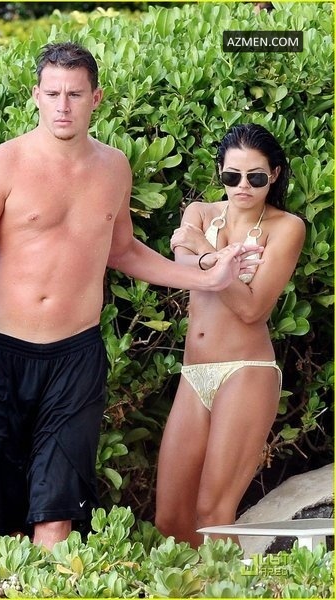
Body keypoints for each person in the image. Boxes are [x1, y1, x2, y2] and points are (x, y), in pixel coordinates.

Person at [0, 42, 259, 549]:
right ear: (36, 96)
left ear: (96, 98)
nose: (62, 106)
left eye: (74, 94)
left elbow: (123, 251)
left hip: (76, 356)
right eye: (52, 94)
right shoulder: (0, 166)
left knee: (57, 516)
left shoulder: (113, 168)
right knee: (7, 522)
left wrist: (208, 278)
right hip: (1, 355)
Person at [155, 123, 306, 548]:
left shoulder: (286, 227)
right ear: (219, 170)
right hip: (194, 373)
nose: (243, 186)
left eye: (256, 177)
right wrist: (224, 266)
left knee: (213, 511)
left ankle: (229, 583)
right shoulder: (199, 213)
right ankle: (200, 583)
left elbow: (252, 308)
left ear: (274, 174)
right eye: (232, 175)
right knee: (170, 516)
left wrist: (206, 253)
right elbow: (181, 267)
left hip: (246, 370)